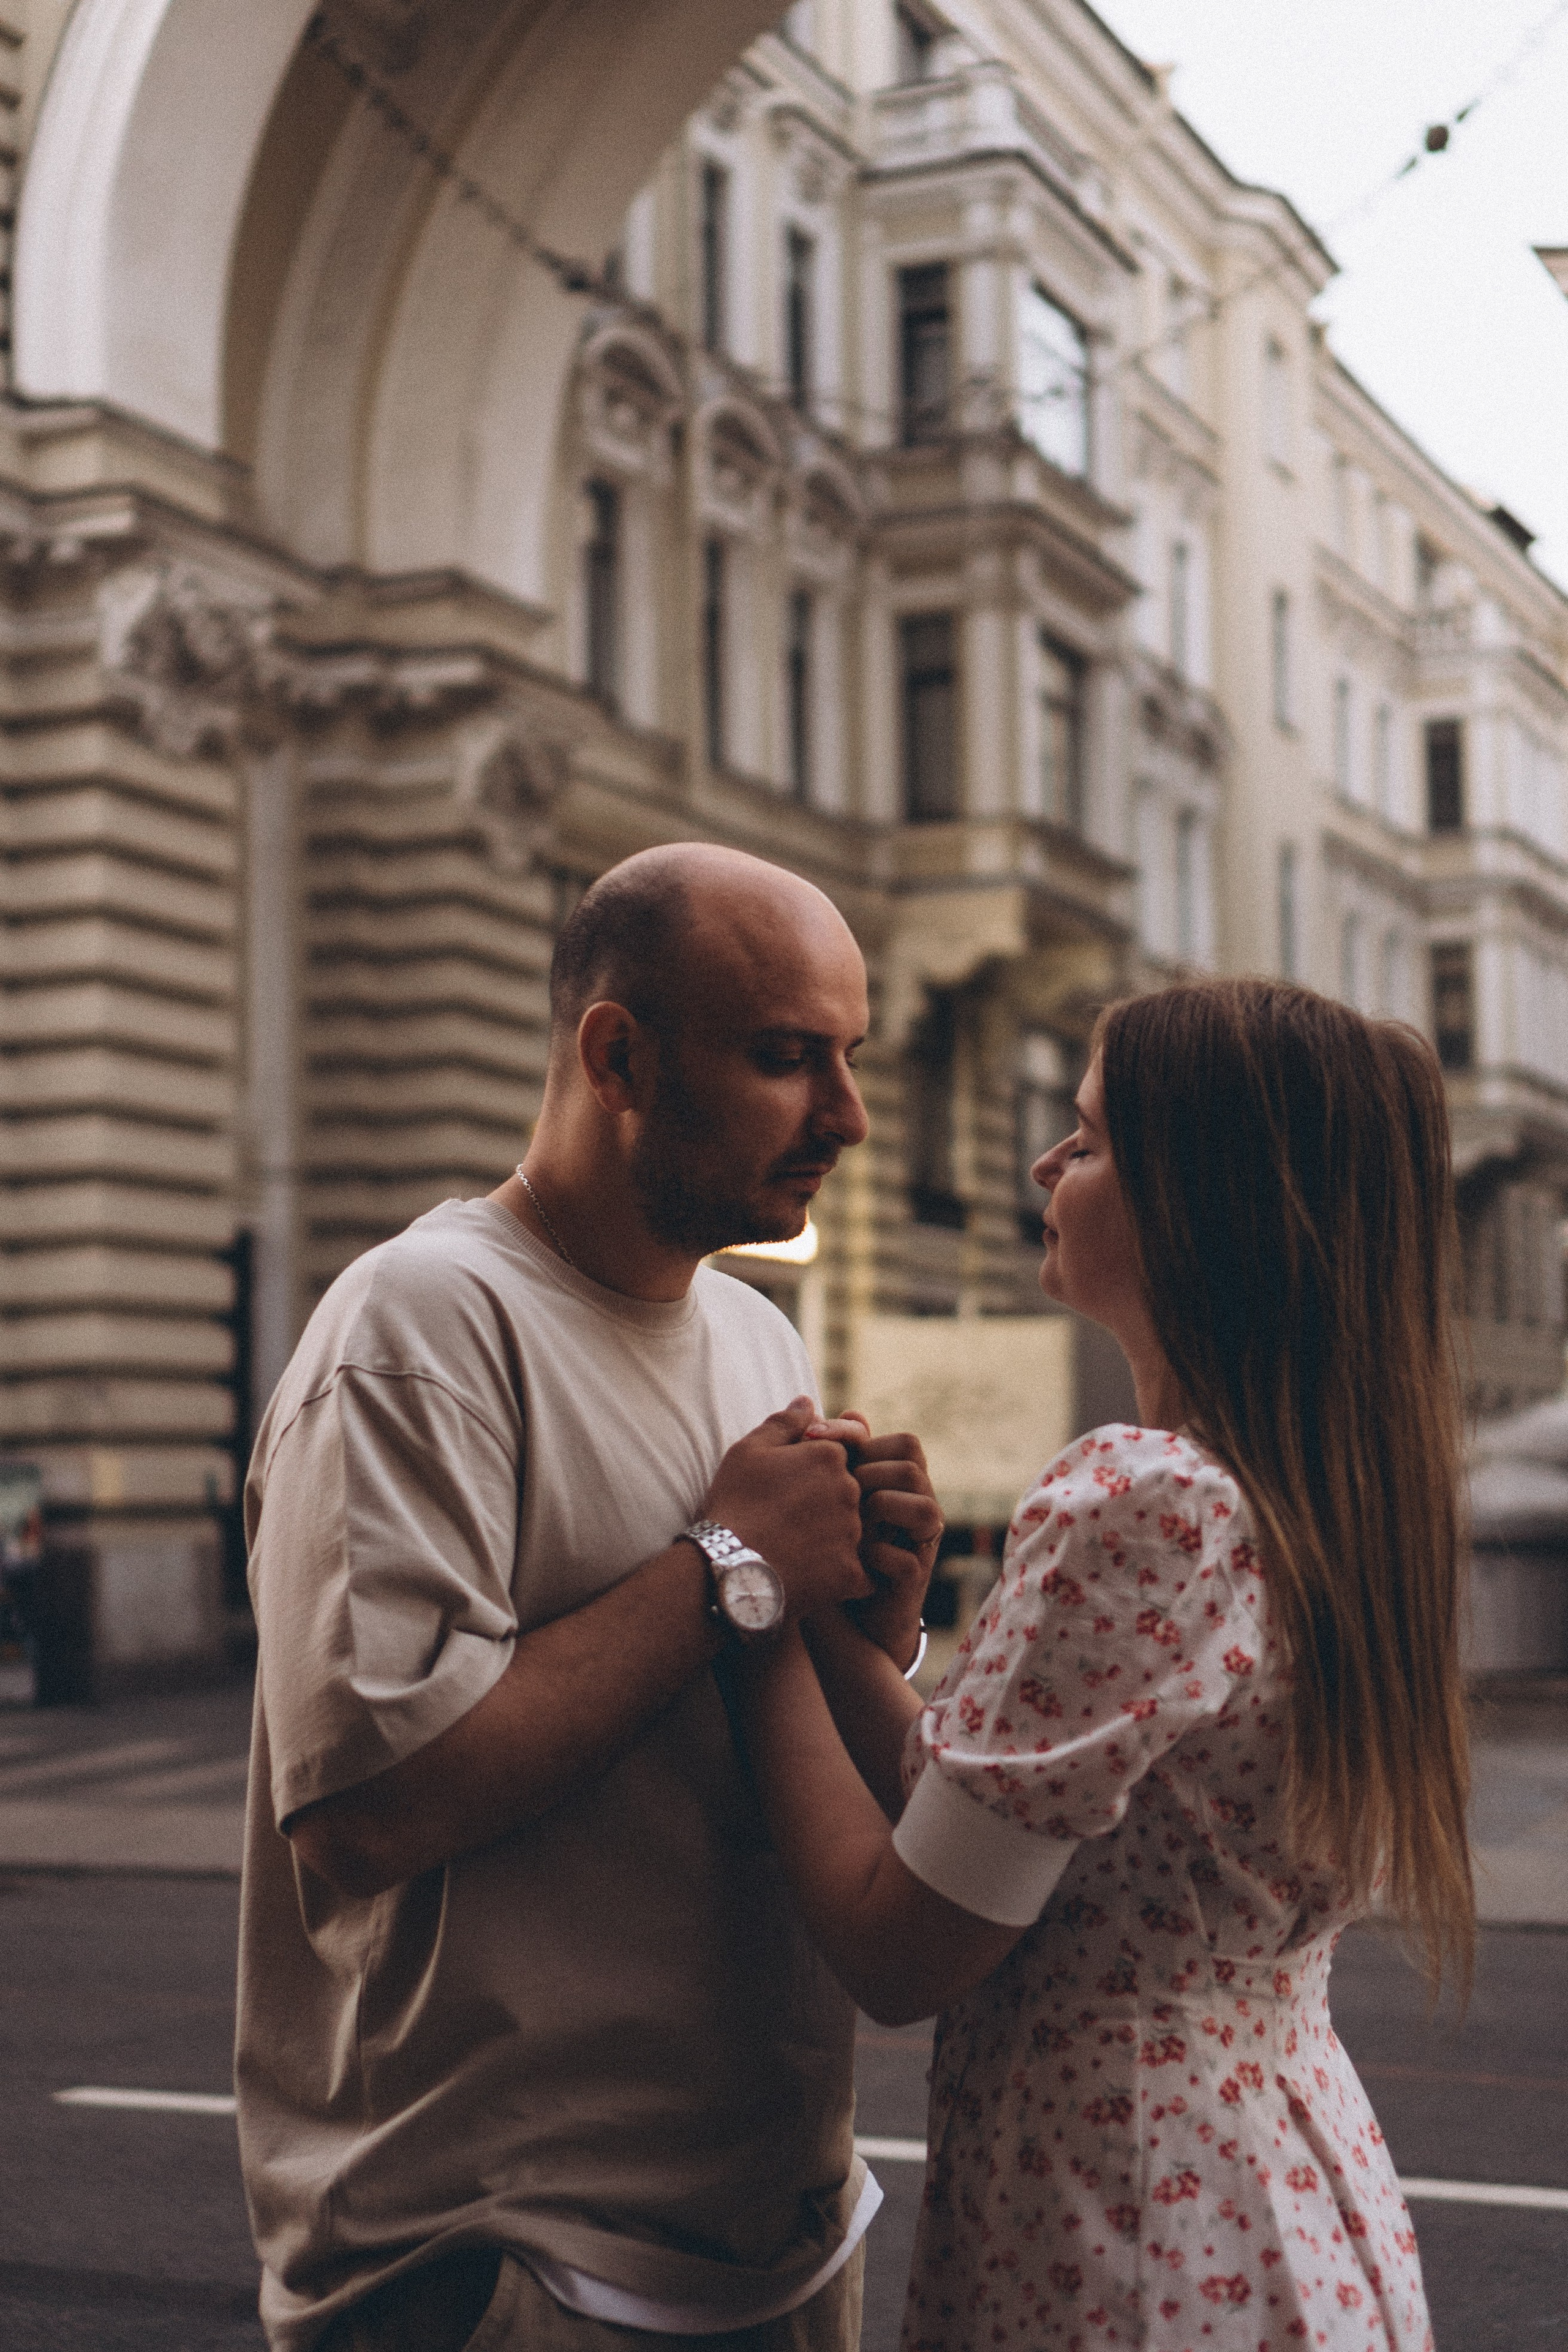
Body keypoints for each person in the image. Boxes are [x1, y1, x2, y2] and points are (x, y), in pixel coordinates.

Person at [235, 843, 942, 2352]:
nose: (848, 1117)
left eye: (849, 1060)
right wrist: (731, 1569)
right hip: (507, 2262)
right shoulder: (422, 1324)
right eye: (784, 1059)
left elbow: (743, 1705)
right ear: (615, 1054)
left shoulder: (755, 1334)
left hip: (782, 2236)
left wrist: (866, 1623)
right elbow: (369, 1806)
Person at [741, 977, 1473, 2352]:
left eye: (1084, 1139)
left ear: (1201, 1200)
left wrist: (749, 1602)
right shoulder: (1322, 1495)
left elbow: (903, 1947)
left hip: (1127, 2229)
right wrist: (852, 1649)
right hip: (1280, 2205)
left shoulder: (1142, 1499)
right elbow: (1010, 1832)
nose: (1043, 1165)